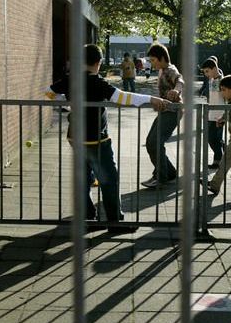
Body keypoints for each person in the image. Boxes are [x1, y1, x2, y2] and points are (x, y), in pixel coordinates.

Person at [76, 44, 170, 233]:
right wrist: (151, 99)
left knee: (84, 177)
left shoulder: (71, 80)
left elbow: (51, 93)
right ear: (99, 62)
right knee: (110, 179)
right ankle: (115, 222)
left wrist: (69, 107)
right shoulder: (97, 83)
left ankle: (87, 217)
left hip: (76, 137)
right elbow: (123, 97)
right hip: (96, 139)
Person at [141, 43, 184, 188]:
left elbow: (180, 80)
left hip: (172, 112)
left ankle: (161, 177)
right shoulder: (162, 70)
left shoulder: (170, 69)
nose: (152, 64)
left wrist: (176, 91)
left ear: (162, 58)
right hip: (165, 111)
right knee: (150, 142)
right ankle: (170, 172)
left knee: (154, 143)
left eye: (153, 60)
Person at [199, 57, 225, 169]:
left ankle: (218, 160)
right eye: (204, 72)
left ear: (214, 68)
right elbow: (212, 96)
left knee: (213, 139)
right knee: (212, 138)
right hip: (211, 114)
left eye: (207, 71)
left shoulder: (222, 81)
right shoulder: (211, 80)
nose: (205, 74)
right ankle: (220, 156)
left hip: (219, 115)